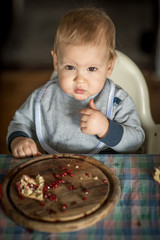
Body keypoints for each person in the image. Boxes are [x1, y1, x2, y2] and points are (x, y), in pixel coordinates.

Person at [7, 8, 145, 158]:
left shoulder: (117, 100)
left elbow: (136, 140)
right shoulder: (43, 97)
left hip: (107, 170)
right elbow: (20, 122)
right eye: (70, 67)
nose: (80, 79)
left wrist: (106, 129)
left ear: (109, 67)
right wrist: (18, 139)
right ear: (56, 61)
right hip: (56, 171)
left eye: (91, 68)